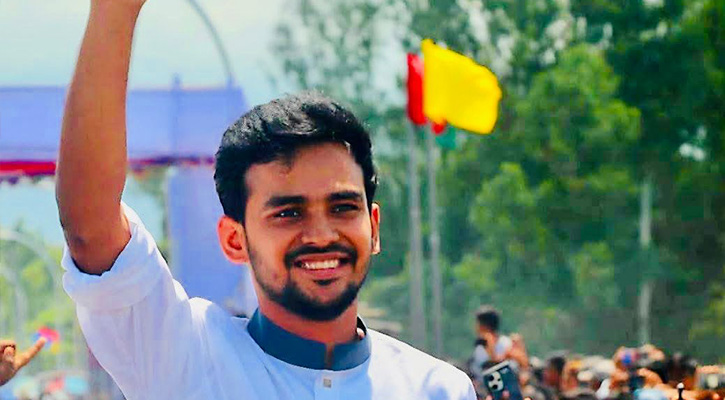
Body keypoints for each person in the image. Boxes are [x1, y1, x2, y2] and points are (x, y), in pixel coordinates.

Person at [56, 0, 475, 399]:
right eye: (289, 213)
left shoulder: (438, 389)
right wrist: (115, 10)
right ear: (234, 239)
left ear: (374, 227)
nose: (321, 235)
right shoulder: (184, 358)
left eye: (343, 208)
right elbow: (90, 229)